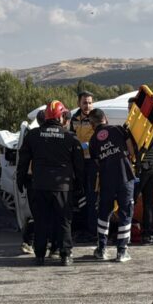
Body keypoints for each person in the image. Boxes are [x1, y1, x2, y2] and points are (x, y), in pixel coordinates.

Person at [17, 101, 84, 266]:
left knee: (41, 221)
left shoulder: (32, 136)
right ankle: (65, 255)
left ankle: (39, 255)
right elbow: (79, 166)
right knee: (64, 221)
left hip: (39, 185)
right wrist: (80, 186)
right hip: (63, 188)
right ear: (61, 117)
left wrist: (20, 180)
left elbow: (23, 162)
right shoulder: (70, 137)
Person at [89, 108, 137, 262]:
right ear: (105, 118)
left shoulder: (93, 140)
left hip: (107, 180)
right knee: (125, 213)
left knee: (104, 213)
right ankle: (122, 252)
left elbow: (97, 162)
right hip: (125, 177)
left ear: (92, 124)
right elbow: (131, 151)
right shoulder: (119, 129)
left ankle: (102, 250)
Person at [129, 96, 153, 244]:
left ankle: (126, 232)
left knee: (130, 201)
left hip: (140, 168)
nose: (129, 112)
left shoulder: (133, 126)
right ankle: (147, 234)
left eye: (131, 109)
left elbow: (130, 149)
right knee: (148, 202)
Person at [69, 91, 97, 241]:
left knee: (92, 197)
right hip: (79, 163)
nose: (88, 106)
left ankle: (92, 230)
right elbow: (71, 137)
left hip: (92, 162)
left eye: (90, 102)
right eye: (85, 103)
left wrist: (88, 146)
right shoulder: (74, 118)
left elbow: (100, 136)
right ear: (79, 103)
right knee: (80, 197)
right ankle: (81, 228)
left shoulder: (96, 117)